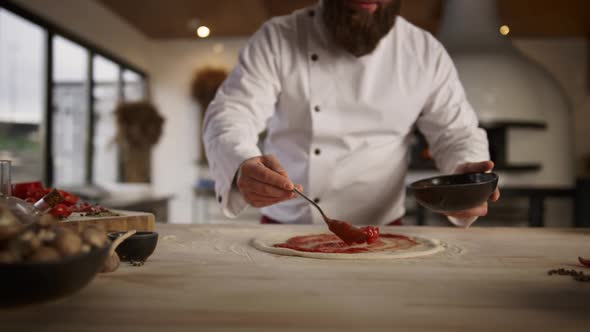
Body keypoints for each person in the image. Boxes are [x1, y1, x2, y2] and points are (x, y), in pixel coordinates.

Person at [203, 0, 500, 227]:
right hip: (286, 227)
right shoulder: (278, 37)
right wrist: (242, 163)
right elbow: (232, 112)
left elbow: (456, 132)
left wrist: (467, 178)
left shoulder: (424, 52)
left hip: (382, 232)